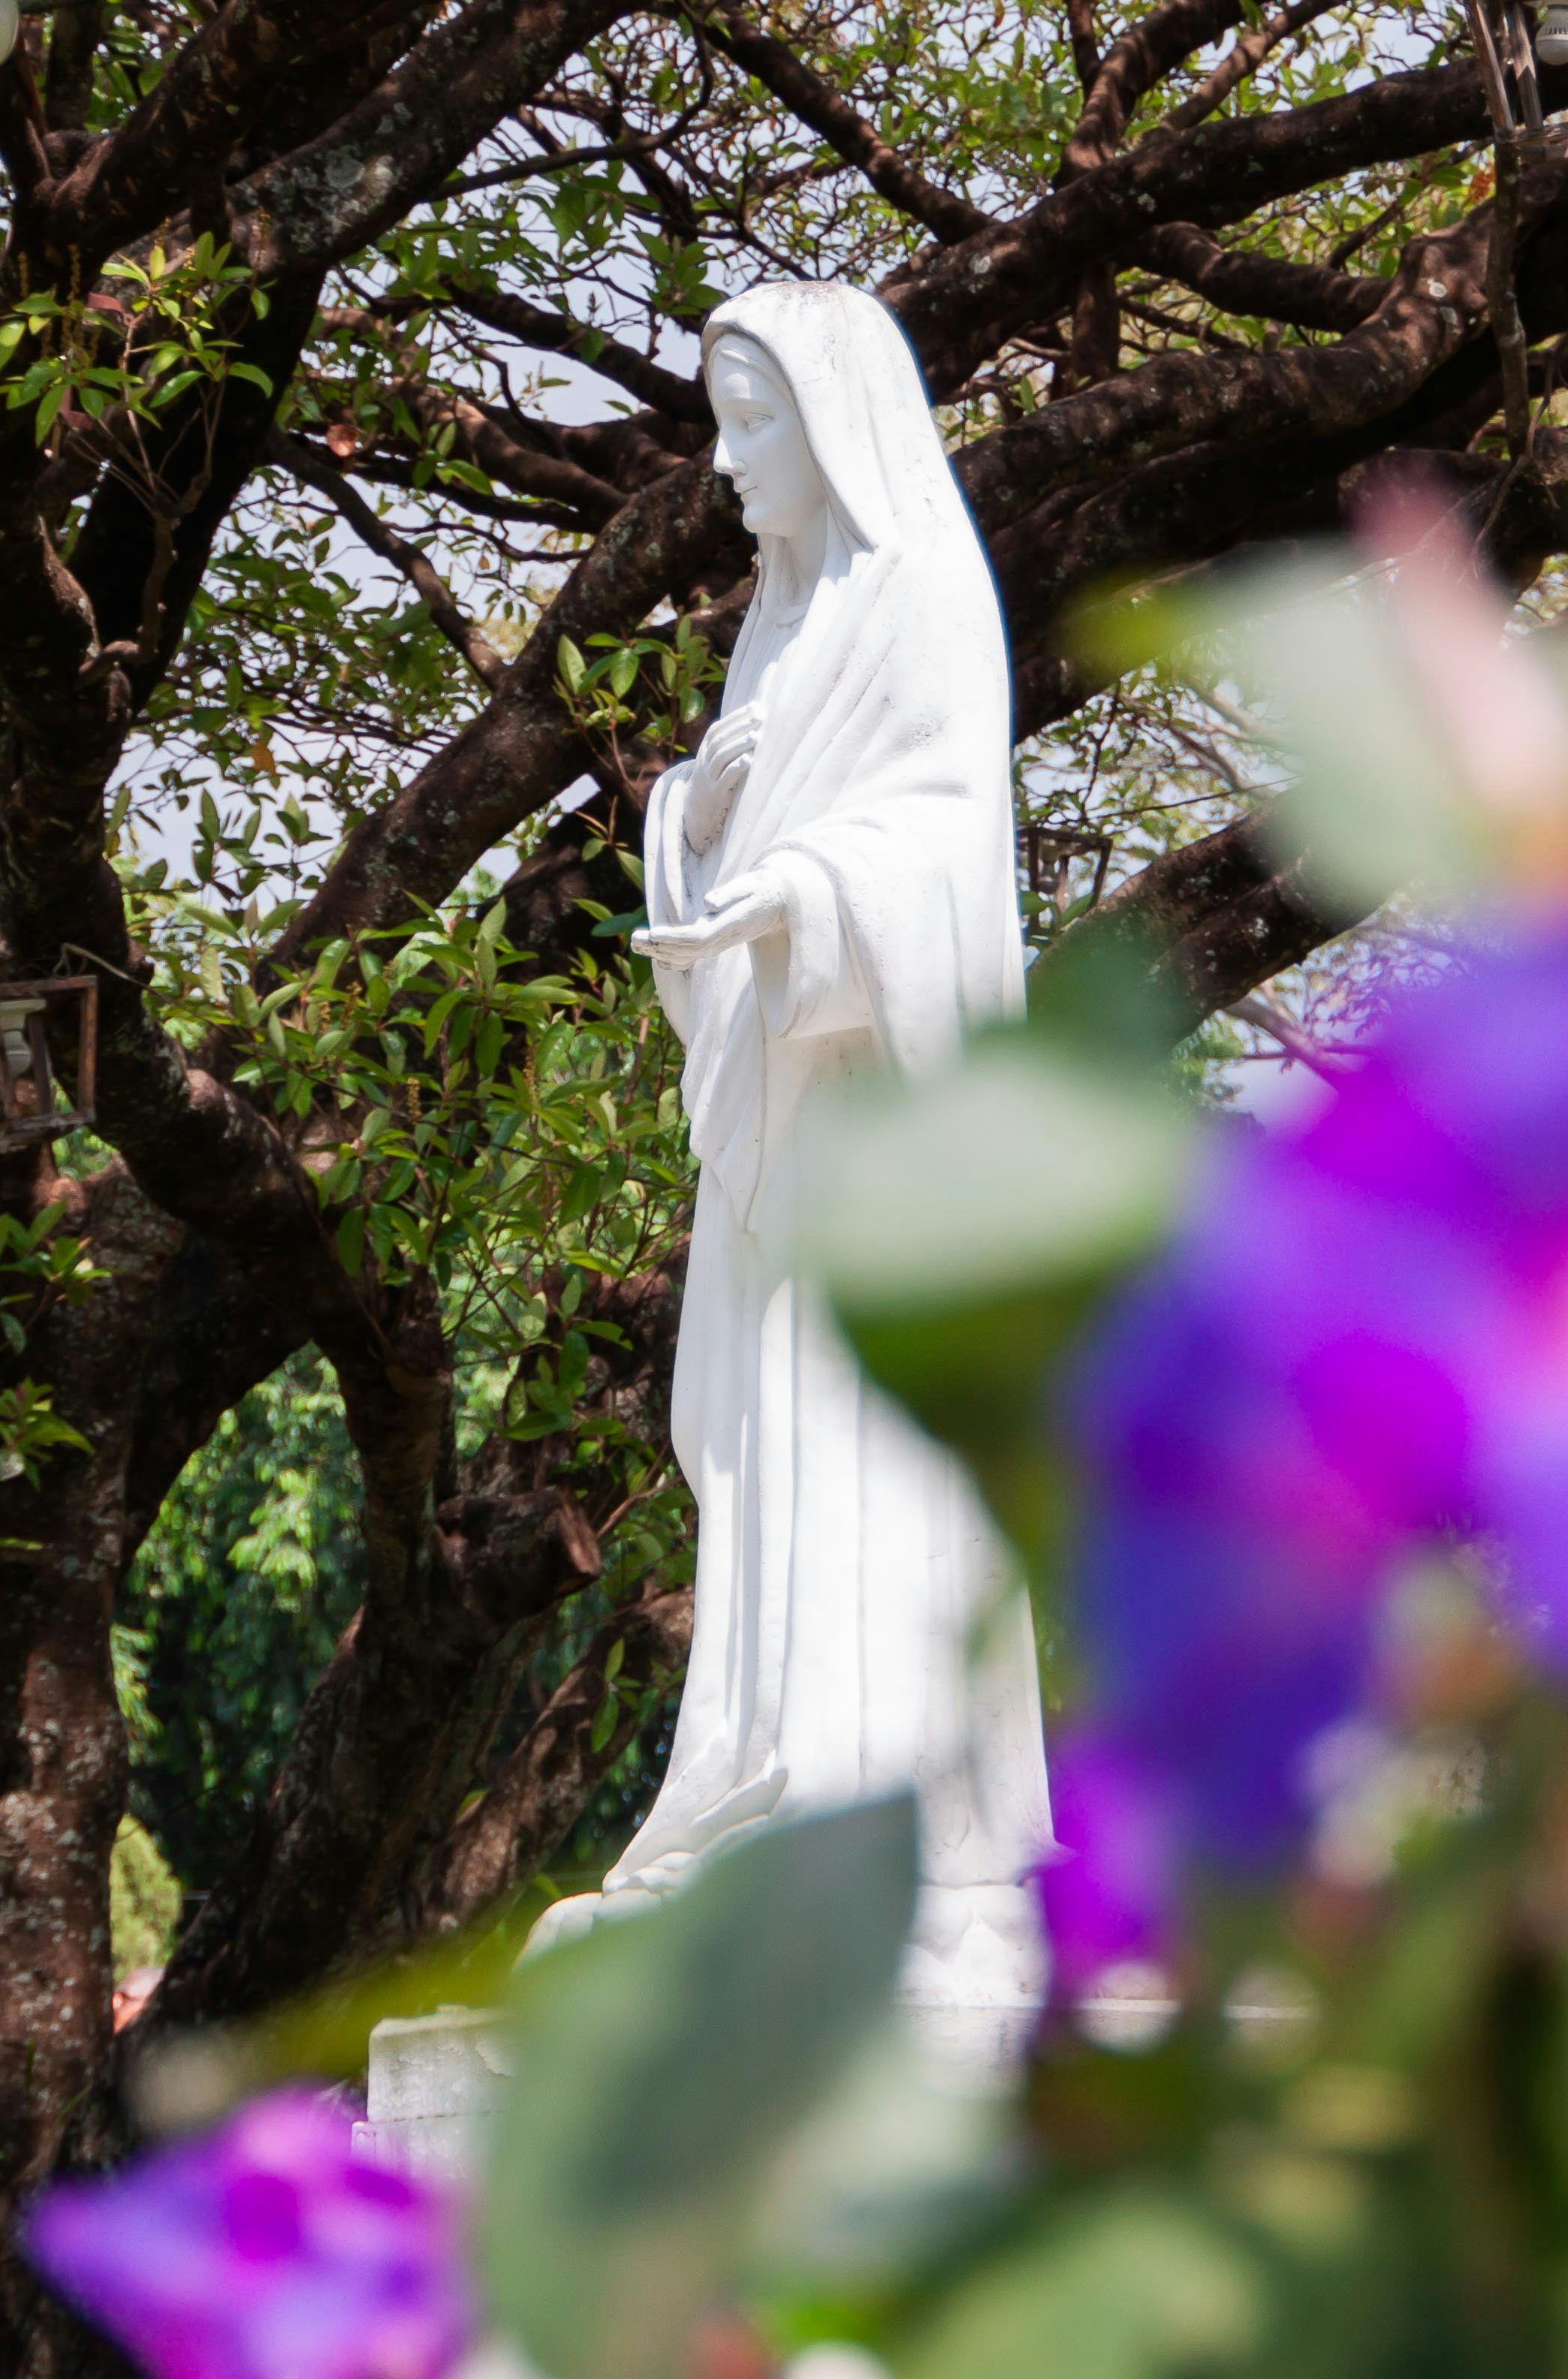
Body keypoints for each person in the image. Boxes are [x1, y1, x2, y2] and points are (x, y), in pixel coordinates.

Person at [536, 280, 1054, 2001]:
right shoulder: (774, 620)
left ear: (835, 426)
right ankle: (766, 1797)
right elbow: (733, 828)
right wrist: (693, 824)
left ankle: (889, 1825)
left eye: (752, 420)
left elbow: (943, 845)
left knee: (867, 1455)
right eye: (717, 419)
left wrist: (807, 893)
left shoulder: (920, 597)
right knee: (757, 1456)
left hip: (884, 1128)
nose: (727, 460)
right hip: (784, 1122)